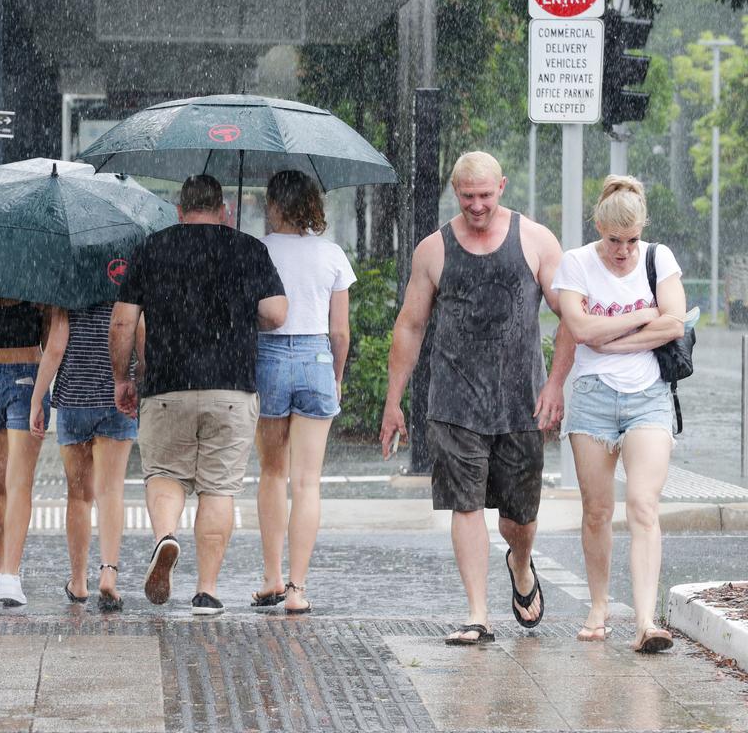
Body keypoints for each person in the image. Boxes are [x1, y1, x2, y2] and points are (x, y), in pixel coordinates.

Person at [380, 151, 574, 645]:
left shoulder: (535, 240)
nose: (477, 206)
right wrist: (393, 400)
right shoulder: (433, 250)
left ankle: (522, 564)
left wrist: (554, 384)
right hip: (454, 401)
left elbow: (570, 312)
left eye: (485, 195)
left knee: (518, 519)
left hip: (521, 402)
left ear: (502, 187)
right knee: (464, 506)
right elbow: (410, 325)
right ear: (454, 192)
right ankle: (477, 614)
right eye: (468, 197)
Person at [109, 174, 288, 616]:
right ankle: (206, 591)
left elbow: (122, 323)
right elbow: (276, 314)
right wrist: (243, 307)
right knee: (218, 489)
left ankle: (166, 537)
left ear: (179, 209)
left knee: (166, 475)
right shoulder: (248, 249)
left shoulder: (152, 247)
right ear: (223, 208)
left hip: (167, 387)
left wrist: (122, 377)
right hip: (231, 389)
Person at [552, 175, 685, 653]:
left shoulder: (658, 257)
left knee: (644, 506)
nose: (624, 252)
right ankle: (599, 605)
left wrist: (614, 338)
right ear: (599, 228)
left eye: (631, 241)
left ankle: (647, 622)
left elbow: (675, 320)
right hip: (591, 397)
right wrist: (640, 317)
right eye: (614, 241)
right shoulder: (577, 263)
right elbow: (581, 328)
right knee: (597, 511)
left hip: (648, 394)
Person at [251, 170, 355, 615]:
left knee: (272, 474)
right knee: (307, 481)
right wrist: (337, 374)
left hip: (268, 358)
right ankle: (297, 589)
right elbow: (340, 331)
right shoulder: (331, 254)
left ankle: (271, 576)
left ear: (273, 206)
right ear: (313, 206)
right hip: (316, 357)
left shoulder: (257, 251)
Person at [29, 303, 139, 612]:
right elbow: (136, 332)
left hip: (73, 399)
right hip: (118, 397)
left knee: (78, 497)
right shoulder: (124, 278)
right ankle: (108, 572)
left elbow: (56, 346)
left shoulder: (69, 278)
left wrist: (37, 399)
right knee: (111, 491)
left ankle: (78, 582)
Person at [0, 295, 50, 607]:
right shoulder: (38, 278)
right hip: (28, 375)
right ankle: (10, 578)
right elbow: (47, 337)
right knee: (20, 483)